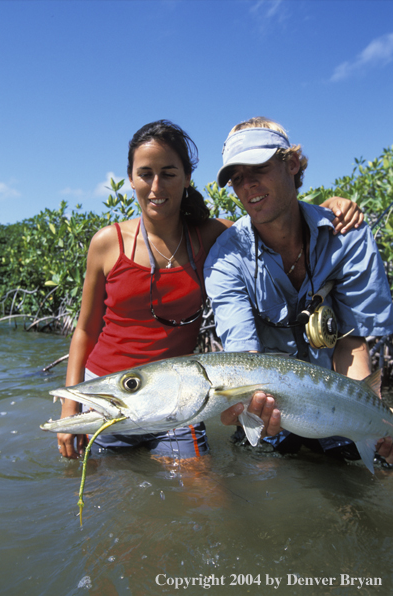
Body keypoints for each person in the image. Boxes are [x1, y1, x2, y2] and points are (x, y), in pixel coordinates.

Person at [57, 119, 362, 460]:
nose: (156, 186)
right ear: (130, 178)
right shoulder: (106, 243)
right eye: (145, 173)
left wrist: (332, 206)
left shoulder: (214, 237)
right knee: (104, 499)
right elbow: (84, 329)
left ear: (187, 178)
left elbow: (274, 220)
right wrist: (71, 405)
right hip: (112, 390)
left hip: (181, 395)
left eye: (169, 173)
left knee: (205, 498)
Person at [204, 116, 393, 464]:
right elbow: (244, 362)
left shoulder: (347, 235)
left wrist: (375, 422)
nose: (248, 186)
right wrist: (249, 409)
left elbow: (352, 342)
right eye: (237, 178)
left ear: (291, 163)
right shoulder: (225, 259)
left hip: (338, 408)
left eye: (257, 168)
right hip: (268, 415)